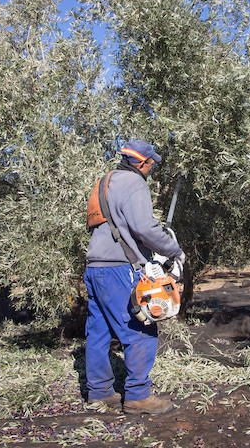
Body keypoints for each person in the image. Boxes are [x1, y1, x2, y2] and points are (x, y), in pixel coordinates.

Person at [84, 140, 185, 414]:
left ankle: (99, 391)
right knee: (141, 328)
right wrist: (173, 250)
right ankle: (138, 397)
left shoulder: (104, 181)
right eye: (151, 164)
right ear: (142, 162)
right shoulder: (134, 183)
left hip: (95, 267)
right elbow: (144, 228)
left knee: (99, 331)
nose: (152, 169)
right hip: (120, 268)